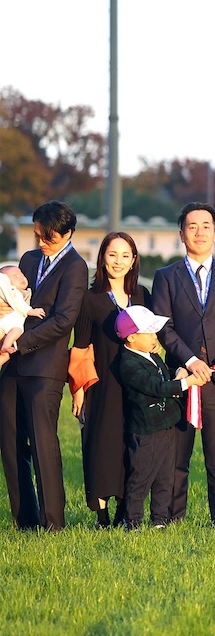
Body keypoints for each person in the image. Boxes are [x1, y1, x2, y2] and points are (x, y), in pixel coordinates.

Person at [151, 202, 215, 524]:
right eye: (192, 226)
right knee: (176, 457)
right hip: (180, 377)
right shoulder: (166, 276)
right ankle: (172, 518)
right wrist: (191, 360)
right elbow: (163, 327)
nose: (199, 232)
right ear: (181, 233)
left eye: (206, 225)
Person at [0, 200, 88, 531]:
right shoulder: (28, 259)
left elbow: (64, 320)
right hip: (11, 365)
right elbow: (16, 303)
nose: (40, 242)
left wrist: (19, 343)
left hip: (45, 366)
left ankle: (53, 523)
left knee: (42, 444)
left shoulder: (76, 267)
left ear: (67, 233)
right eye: (37, 234)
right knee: (10, 442)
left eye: (47, 236)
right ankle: (24, 520)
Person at [71, 232, 151, 528]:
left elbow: (152, 338)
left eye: (125, 255)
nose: (118, 261)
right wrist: (79, 391)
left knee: (133, 445)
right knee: (102, 444)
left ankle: (126, 509)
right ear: (102, 257)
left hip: (137, 383)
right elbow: (80, 347)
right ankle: (101, 515)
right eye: (112, 254)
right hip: (103, 384)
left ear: (133, 261)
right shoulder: (89, 299)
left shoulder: (142, 295)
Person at [115, 305, 205, 530]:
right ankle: (132, 522)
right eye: (151, 333)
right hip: (146, 431)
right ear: (132, 337)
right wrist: (187, 383)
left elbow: (164, 378)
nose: (156, 337)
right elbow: (156, 387)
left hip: (167, 425)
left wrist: (178, 374)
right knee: (141, 477)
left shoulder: (151, 355)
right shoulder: (128, 363)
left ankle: (160, 521)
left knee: (166, 477)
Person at [0, 265, 46, 369]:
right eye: (15, 277)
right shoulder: (13, 292)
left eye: (21, 274)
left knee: (7, 353)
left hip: (11, 326)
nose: (21, 277)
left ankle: (5, 346)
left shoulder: (23, 292)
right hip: (6, 322)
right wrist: (32, 311)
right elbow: (21, 305)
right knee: (16, 332)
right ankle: (5, 345)